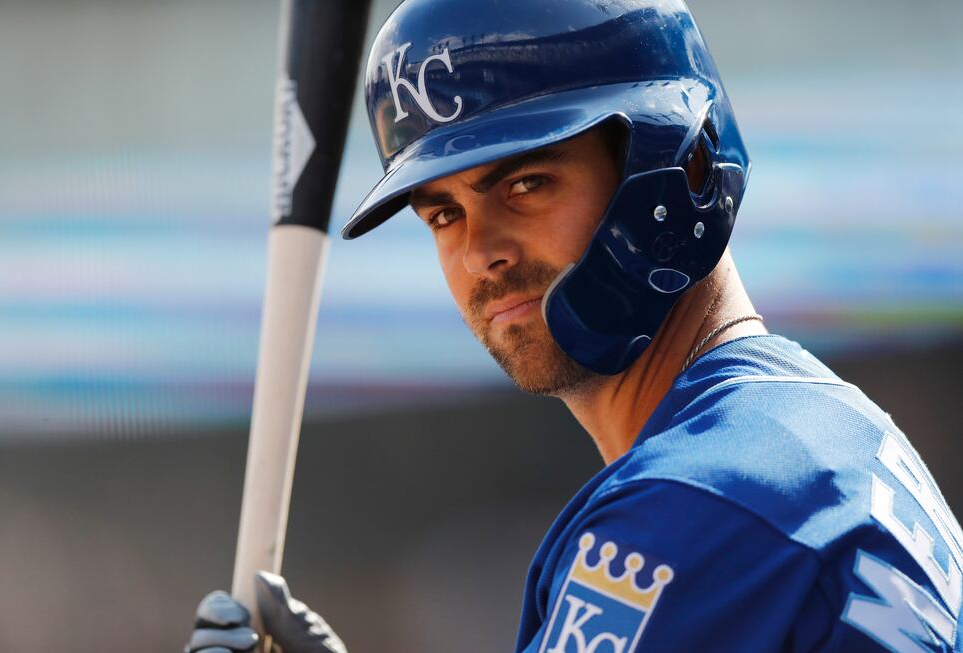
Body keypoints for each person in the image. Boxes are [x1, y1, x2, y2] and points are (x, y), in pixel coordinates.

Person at [186, 1, 963, 651]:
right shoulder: (825, 433)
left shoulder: (692, 501)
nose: (480, 252)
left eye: (526, 182)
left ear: (685, 162)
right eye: (444, 215)